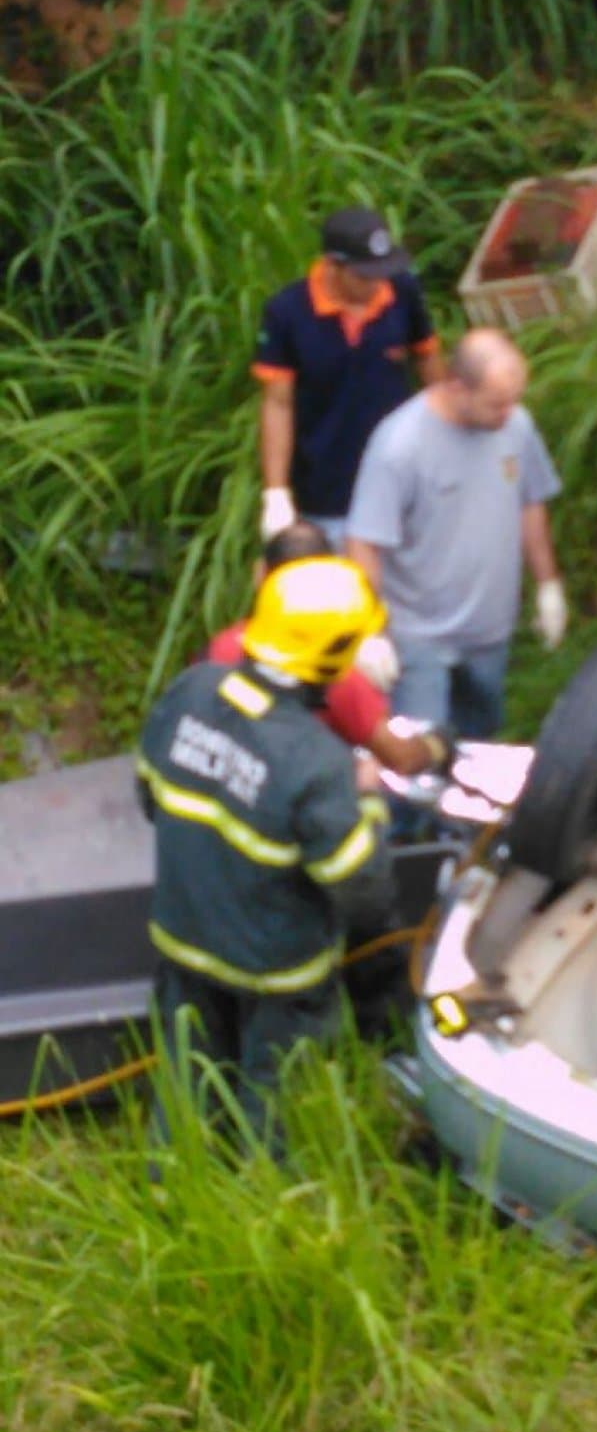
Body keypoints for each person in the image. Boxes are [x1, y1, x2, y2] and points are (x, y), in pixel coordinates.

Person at [138, 556, 394, 1156]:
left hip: (186, 938)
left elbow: (151, 797)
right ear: (331, 659)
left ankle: (171, 1190)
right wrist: (371, 805)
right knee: (274, 1102)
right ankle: (262, 1205)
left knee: (185, 1081)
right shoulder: (317, 762)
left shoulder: (191, 691)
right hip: (279, 973)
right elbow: (364, 891)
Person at [346, 329, 567, 741]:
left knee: (480, 738)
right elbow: (364, 541)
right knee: (420, 752)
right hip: (418, 634)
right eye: (496, 404)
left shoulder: (515, 426)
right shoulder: (400, 446)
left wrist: (548, 584)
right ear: (456, 386)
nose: (508, 414)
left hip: (489, 627)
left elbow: (531, 501)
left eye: (513, 401)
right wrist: (368, 632)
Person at [252, 206, 444, 551]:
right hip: (327, 490)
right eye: (364, 276)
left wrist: (448, 433)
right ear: (332, 265)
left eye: (382, 273)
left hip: (401, 483)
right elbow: (278, 402)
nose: (376, 285)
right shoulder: (287, 312)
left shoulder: (402, 292)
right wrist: (276, 492)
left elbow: (428, 359)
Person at [205, 520, 455, 778]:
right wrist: (438, 745)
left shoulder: (220, 647)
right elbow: (402, 759)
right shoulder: (337, 675)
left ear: (260, 576)